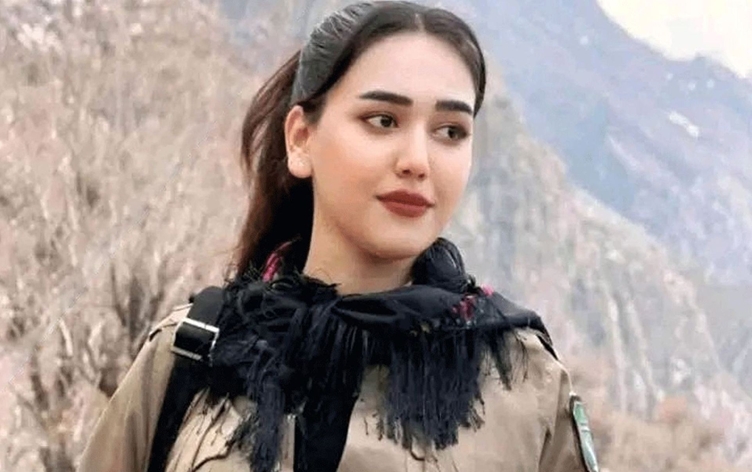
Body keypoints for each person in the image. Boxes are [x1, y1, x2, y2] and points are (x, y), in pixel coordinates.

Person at [77, 2, 600, 471]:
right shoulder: (192, 354)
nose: (418, 161)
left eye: (450, 132)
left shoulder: (524, 383)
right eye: (383, 120)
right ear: (301, 139)